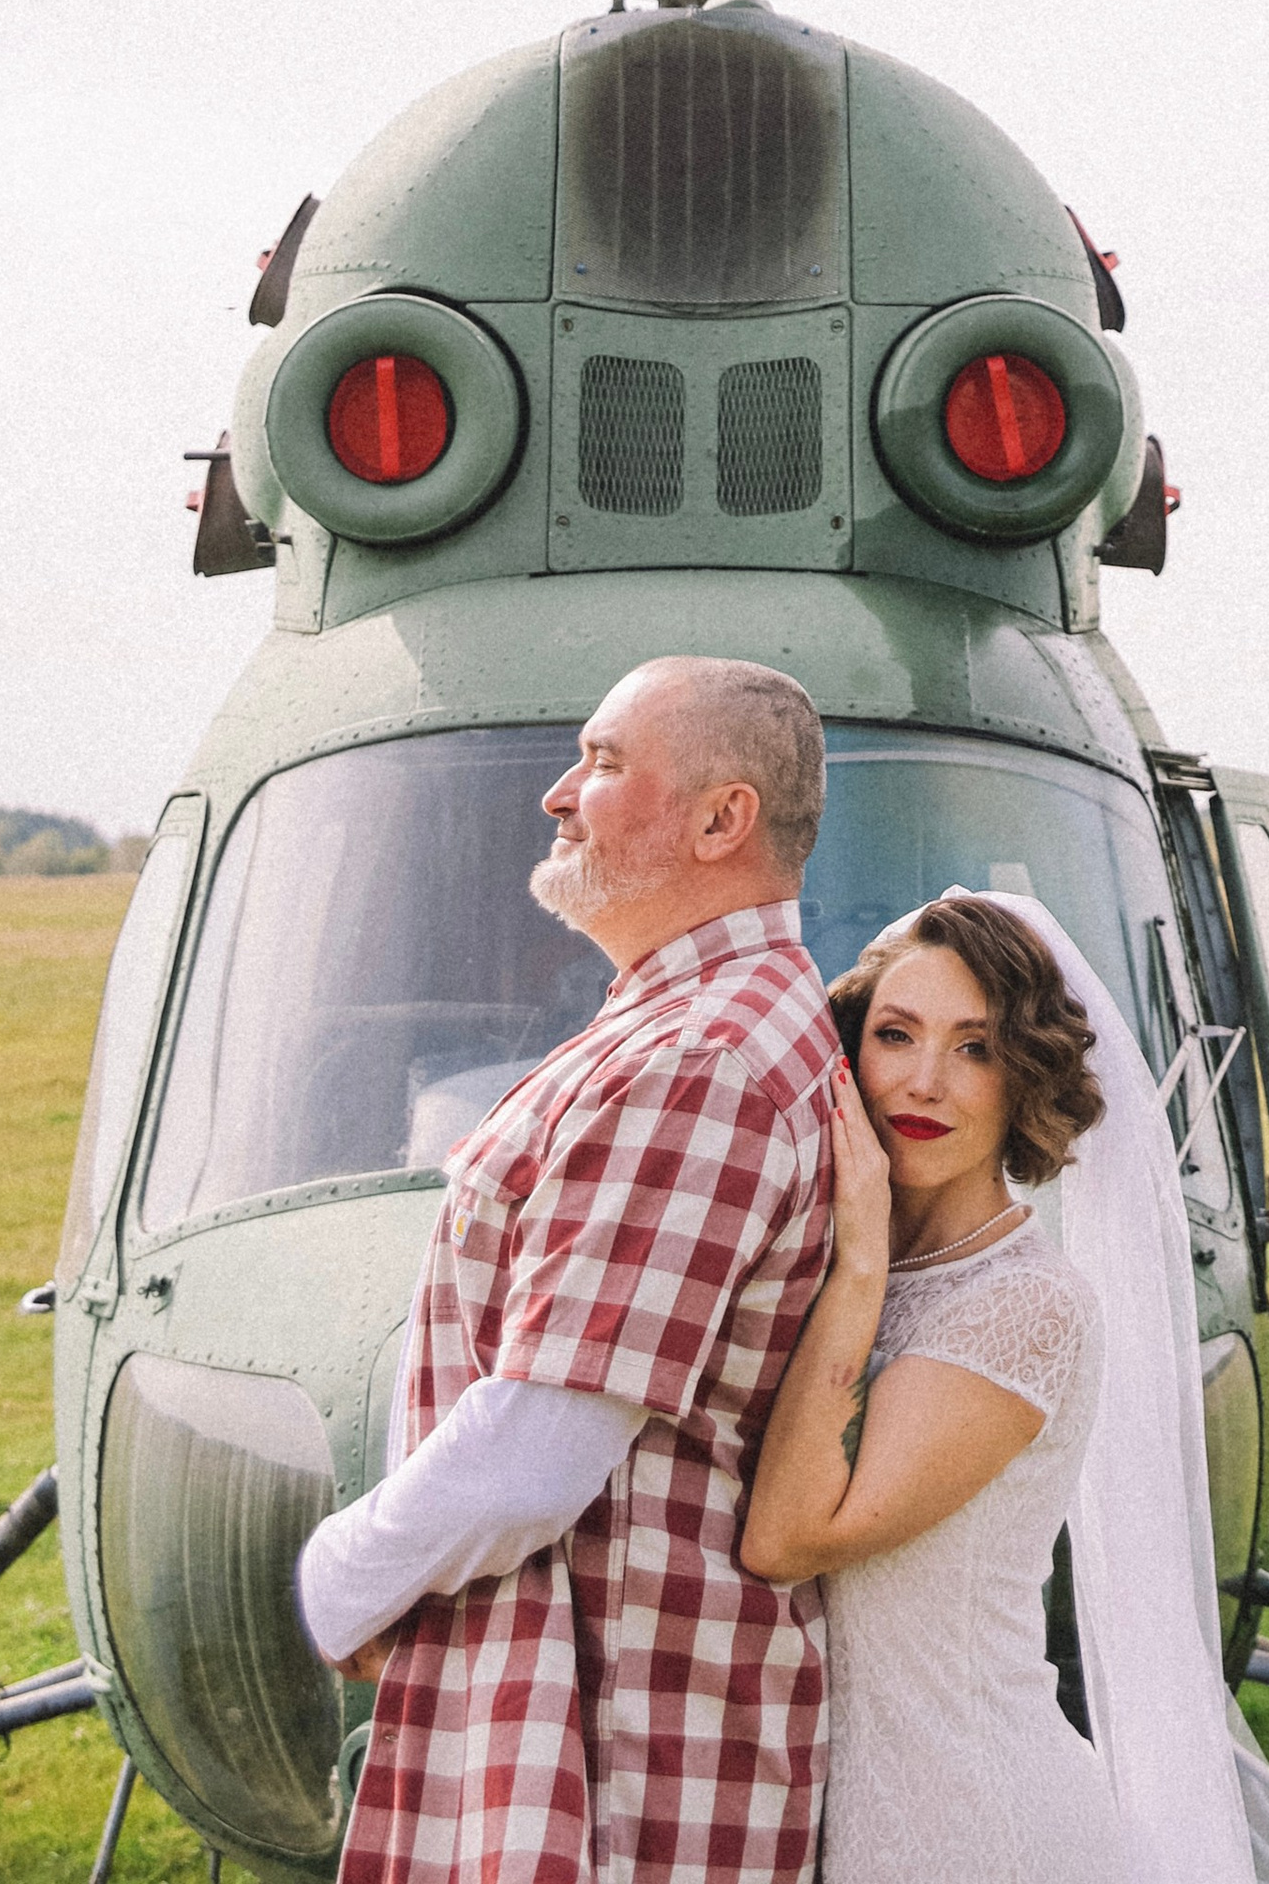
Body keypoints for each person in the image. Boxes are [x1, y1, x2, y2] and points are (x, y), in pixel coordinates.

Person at [296, 658, 843, 1884]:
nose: (557, 793)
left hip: (618, 1747)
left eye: (601, 761)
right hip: (612, 1712)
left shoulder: (696, 1062)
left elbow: (539, 1447)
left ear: (721, 819)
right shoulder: (708, 1019)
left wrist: (341, 1575)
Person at [745, 889, 1269, 1884]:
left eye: (974, 1047)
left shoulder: (1025, 1308)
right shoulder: (836, 1260)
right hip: (840, 1826)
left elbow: (788, 1539)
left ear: (1026, 1077)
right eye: (896, 1034)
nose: (923, 1081)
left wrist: (856, 1270)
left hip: (979, 1831)